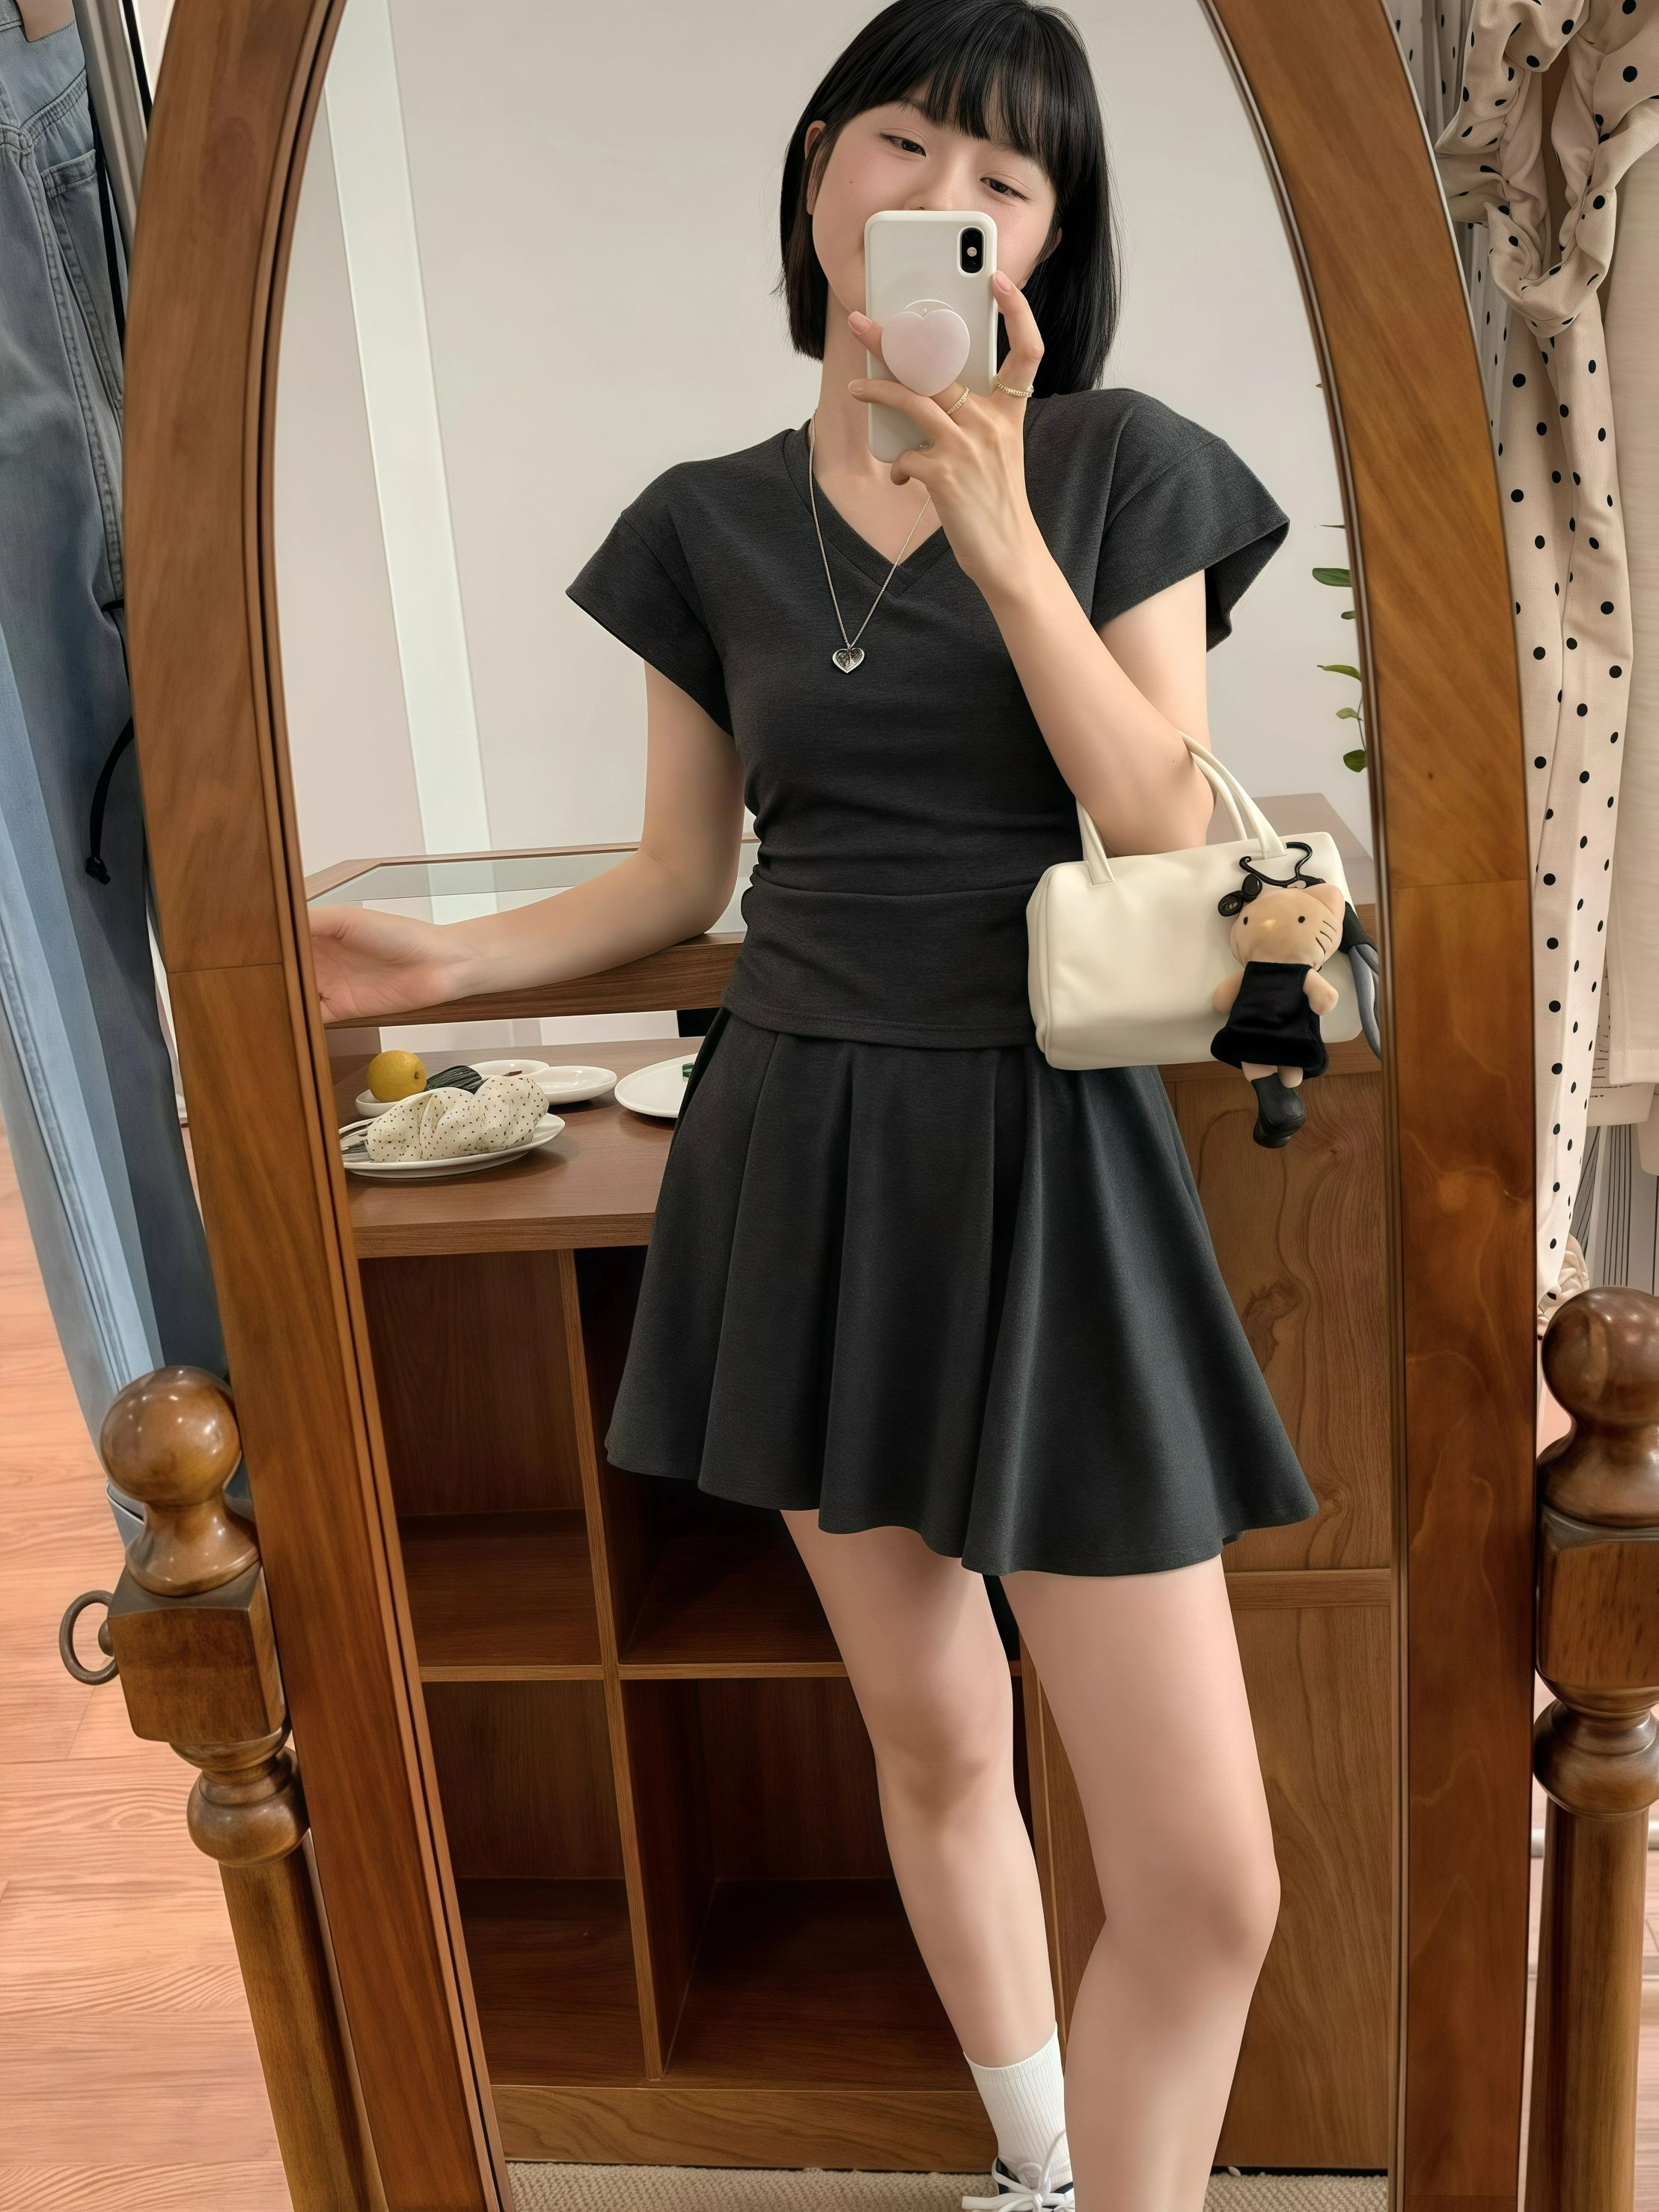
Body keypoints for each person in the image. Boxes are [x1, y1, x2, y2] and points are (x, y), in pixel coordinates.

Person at [311, 3, 1322, 2205]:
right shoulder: (700, 525)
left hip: (1051, 1167)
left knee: (1206, 1878)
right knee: (936, 1731)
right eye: (906, 142)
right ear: (815, 173)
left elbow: (1164, 826)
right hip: (796, 1152)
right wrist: (436, 962)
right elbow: (683, 876)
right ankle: (1041, 2166)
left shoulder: (1125, 465)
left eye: (1007, 179)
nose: (946, 197)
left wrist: (1001, 525)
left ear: (1049, 243)